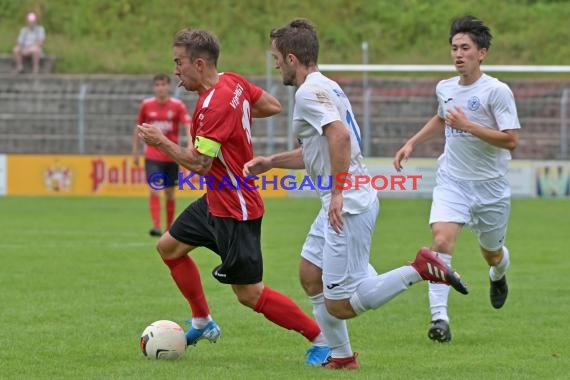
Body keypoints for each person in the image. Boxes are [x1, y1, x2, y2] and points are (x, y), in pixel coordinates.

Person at [243, 18, 468, 370]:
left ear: (291, 58)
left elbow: (341, 139)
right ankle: (343, 357)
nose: (274, 66)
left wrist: (336, 193)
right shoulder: (326, 86)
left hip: (347, 204)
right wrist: (271, 161)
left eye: (276, 58)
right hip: (344, 199)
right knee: (309, 274)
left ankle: (420, 268)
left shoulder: (307, 92)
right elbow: (317, 149)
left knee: (341, 304)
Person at [137, 28, 331, 365]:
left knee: (249, 294)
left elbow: (200, 163)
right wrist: (236, 113)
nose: (175, 70)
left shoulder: (213, 107)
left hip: (235, 207)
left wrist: (161, 142)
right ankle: (202, 321)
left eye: (179, 63)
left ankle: (321, 338)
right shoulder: (234, 82)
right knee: (168, 247)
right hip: (215, 198)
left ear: (199, 63)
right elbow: (270, 106)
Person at [393, 15, 520, 343]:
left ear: (483, 53)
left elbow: (510, 140)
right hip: (453, 182)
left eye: (465, 48)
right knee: (441, 242)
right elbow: (441, 117)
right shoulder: (445, 88)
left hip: (490, 187)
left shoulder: (497, 91)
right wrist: (412, 143)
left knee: (492, 253)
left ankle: (499, 273)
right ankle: (440, 320)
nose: (458, 54)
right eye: (454, 48)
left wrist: (469, 126)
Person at [133, 74, 191, 237]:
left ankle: (169, 227)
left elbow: (187, 125)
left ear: (168, 87)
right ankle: (157, 226)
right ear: (154, 87)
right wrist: (135, 151)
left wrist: (189, 146)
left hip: (171, 155)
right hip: (152, 156)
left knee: (170, 193)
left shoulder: (177, 106)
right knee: (154, 189)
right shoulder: (146, 105)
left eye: (163, 84)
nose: (160, 88)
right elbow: (138, 128)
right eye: (157, 85)